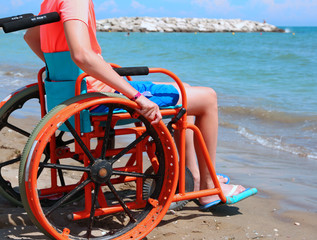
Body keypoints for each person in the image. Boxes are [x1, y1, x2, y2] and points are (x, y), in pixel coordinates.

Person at [24, 0, 248, 209]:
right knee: (208, 97)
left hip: (73, 93)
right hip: (98, 97)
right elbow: (82, 55)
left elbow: (31, 38)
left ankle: (193, 174)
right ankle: (208, 186)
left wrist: (68, 74)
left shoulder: (49, 2)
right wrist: (136, 97)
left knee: (186, 91)